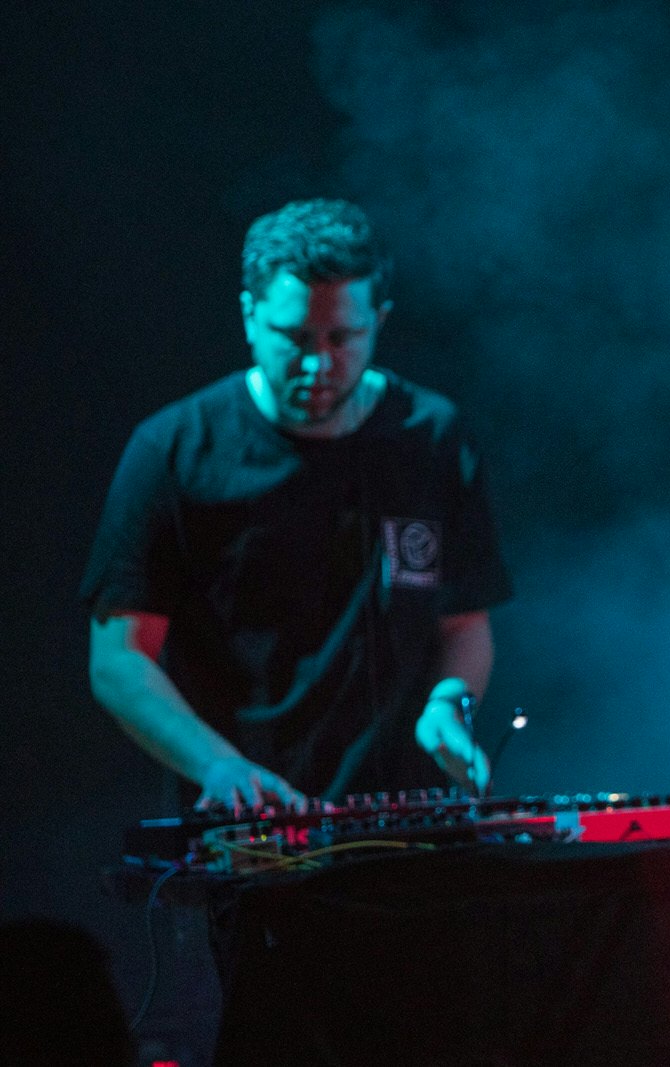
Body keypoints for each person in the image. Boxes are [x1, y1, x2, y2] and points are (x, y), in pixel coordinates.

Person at [82, 199, 513, 813]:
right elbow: (119, 660)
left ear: (379, 321)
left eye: (342, 337)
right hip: (249, 826)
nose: (318, 364)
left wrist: (449, 703)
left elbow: (464, 625)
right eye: (295, 337)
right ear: (249, 317)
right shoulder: (175, 449)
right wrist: (218, 765)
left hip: (406, 819)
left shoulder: (433, 436)